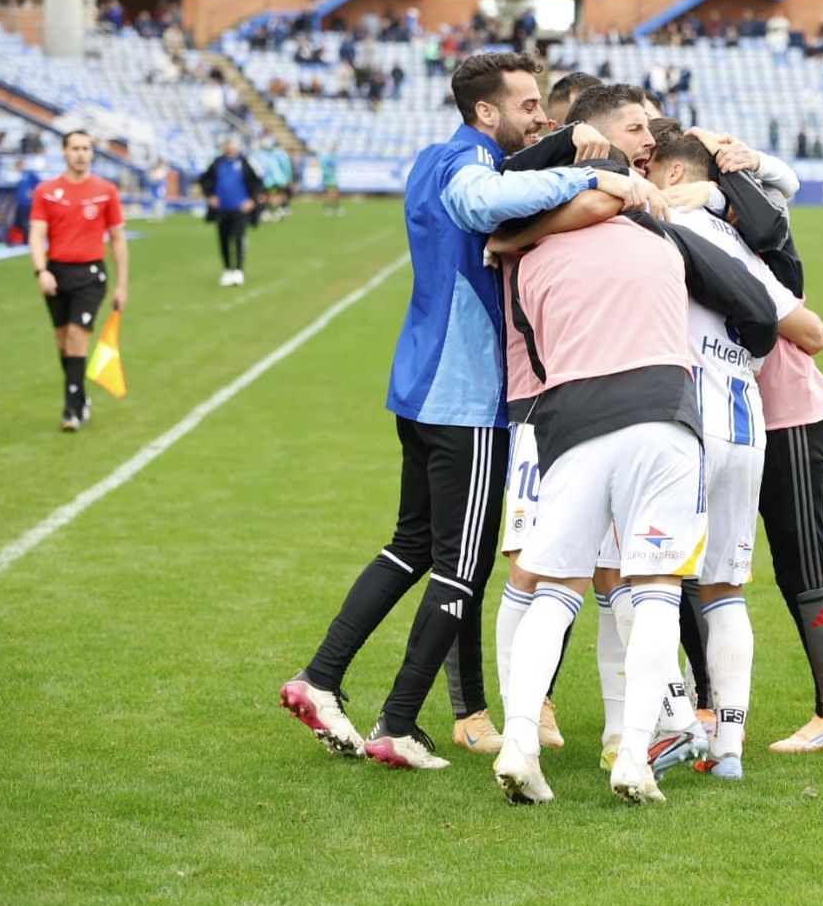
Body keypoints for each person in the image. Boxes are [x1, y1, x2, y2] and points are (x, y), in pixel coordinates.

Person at [278, 52, 649, 768]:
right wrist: (591, 174)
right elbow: (481, 201)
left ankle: (321, 678)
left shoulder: (431, 157)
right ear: (487, 112)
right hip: (468, 395)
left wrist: (556, 148)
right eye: (529, 105)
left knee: (411, 544)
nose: (543, 115)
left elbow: (496, 183)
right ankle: (397, 722)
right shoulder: (467, 167)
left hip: (418, 386)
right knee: (464, 562)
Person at [487, 158, 778, 805]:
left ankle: (518, 741)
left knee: (553, 588)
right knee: (655, 590)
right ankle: (635, 753)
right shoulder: (657, 234)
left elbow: (535, 356)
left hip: (569, 420)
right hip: (661, 413)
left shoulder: (525, 255)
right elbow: (757, 306)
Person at [644, 121, 823, 780]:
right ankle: (728, 751)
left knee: (649, 581)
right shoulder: (738, 240)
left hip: (683, 423)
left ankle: (672, 725)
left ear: (669, 173)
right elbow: (810, 329)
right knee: (724, 592)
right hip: (746, 425)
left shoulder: (657, 216)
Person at [28, 130, 129, 432]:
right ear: (64, 152)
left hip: (90, 275)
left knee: (76, 337)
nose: (81, 154)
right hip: (57, 273)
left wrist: (122, 284)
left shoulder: (105, 190)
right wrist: (41, 270)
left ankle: (71, 409)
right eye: (75, 148)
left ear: (92, 153)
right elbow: (36, 234)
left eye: (86, 148)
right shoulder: (46, 191)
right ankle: (81, 396)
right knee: (63, 343)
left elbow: (118, 239)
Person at [198, 137, 263, 287]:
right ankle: (227, 270)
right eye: (227, 145)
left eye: (232, 145)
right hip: (222, 208)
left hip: (240, 208)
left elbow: (257, 182)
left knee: (239, 238)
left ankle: (239, 270)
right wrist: (210, 196)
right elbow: (205, 179)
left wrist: (252, 200)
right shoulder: (217, 163)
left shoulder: (245, 163)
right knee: (223, 240)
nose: (230, 148)